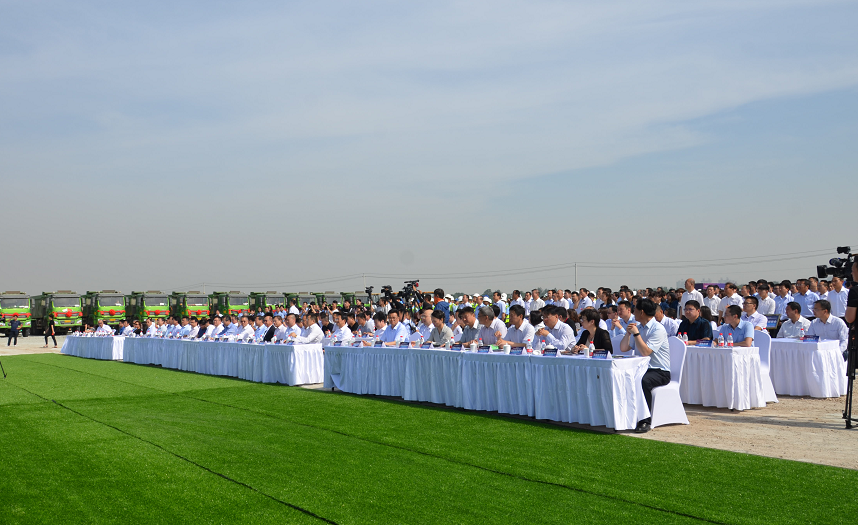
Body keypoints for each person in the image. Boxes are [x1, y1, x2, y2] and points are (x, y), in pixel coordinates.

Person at [620, 299, 671, 434]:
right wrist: (628, 333)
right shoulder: (639, 326)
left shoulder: (658, 329)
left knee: (643, 381)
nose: (633, 312)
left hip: (659, 371)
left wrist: (636, 334)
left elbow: (646, 352)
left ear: (641, 312)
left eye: (635, 310)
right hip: (640, 369)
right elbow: (623, 348)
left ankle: (645, 420)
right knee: (623, 377)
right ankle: (626, 415)